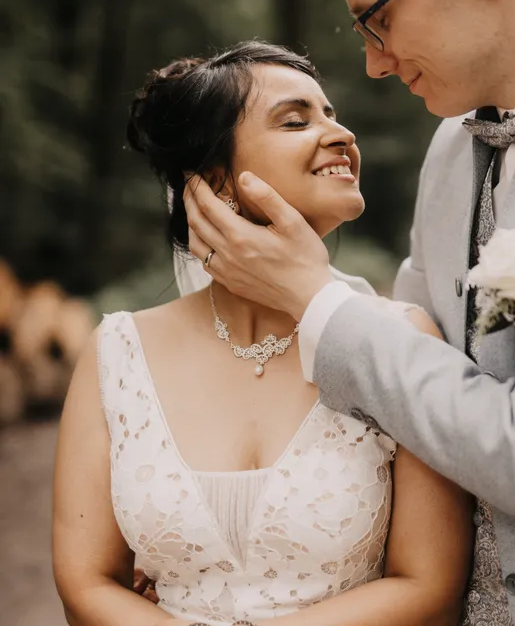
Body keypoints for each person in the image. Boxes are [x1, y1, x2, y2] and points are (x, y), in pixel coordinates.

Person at [182, 0, 515, 625]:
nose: (376, 63)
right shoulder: (452, 147)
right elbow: (406, 390)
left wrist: (311, 293)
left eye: (378, 19)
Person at [52, 41, 474, 626]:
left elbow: (430, 584)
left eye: (332, 114)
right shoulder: (118, 353)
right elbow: (86, 581)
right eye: (296, 121)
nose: (341, 134)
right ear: (215, 180)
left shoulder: (401, 339)